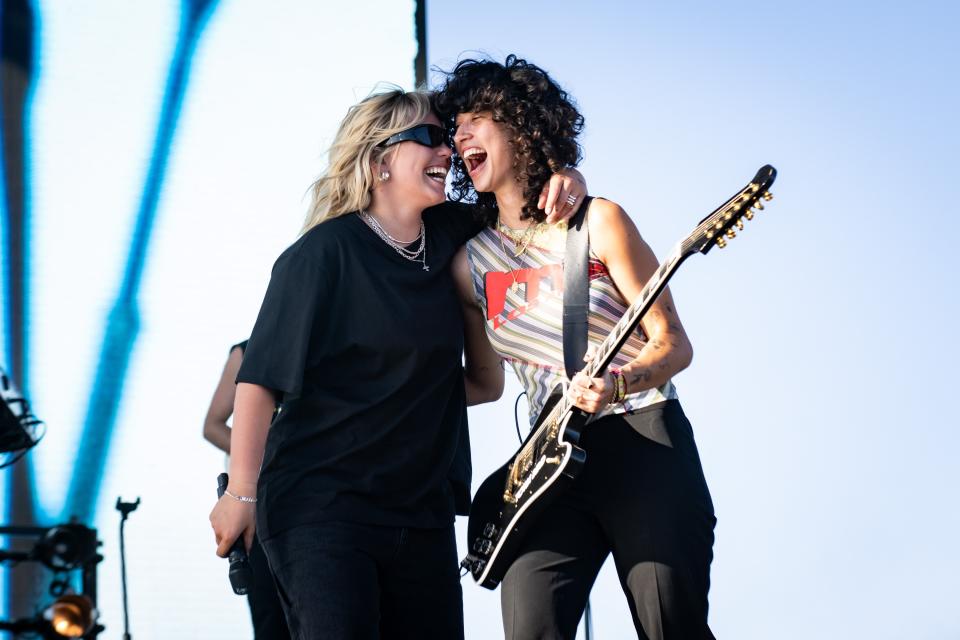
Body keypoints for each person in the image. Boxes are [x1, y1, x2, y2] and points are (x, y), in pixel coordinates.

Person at [208, 87, 586, 639]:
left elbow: (525, 205)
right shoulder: (321, 255)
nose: (448, 152)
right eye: (432, 137)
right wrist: (240, 494)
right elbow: (259, 384)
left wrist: (568, 175)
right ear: (381, 158)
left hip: (422, 516)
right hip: (323, 509)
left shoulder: (457, 234)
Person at [435, 56, 717, 639]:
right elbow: (485, 384)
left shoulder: (598, 221)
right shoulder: (469, 264)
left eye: (478, 117)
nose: (460, 134)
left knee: (671, 626)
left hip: (642, 437)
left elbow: (674, 345)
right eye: (455, 124)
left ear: (521, 125)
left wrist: (617, 383)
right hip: (548, 463)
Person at [203, 341, 290, 640]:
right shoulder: (247, 350)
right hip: (260, 504)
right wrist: (265, 458)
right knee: (270, 614)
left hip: (314, 501)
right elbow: (212, 425)